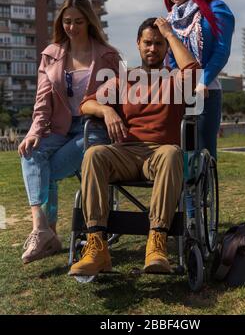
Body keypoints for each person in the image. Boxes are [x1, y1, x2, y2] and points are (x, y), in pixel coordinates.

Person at [69, 17, 200, 277]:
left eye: (159, 44)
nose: (153, 49)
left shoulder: (176, 80)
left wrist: (170, 33)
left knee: (173, 153)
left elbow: (194, 71)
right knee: (94, 153)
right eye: (148, 43)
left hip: (161, 153)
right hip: (126, 153)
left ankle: (157, 244)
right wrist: (106, 110)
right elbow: (85, 104)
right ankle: (96, 248)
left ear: (167, 48)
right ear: (138, 44)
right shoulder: (123, 80)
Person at [19, 0, 120, 264]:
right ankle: (41, 228)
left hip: (94, 129)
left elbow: (121, 97)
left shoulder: (108, 56)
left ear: (89, 21)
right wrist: (34, 132)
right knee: (31, 152)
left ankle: (49, 235)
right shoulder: (51, 55)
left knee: (47, 171)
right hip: (60, 127)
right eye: (67, 22)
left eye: (78, 21)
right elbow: (43, 100)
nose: (72, 27)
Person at [163, 0, 235, 161]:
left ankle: (201, 192)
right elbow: (170, 57)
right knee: (179, 152)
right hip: (180, 92)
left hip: (207, 89)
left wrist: (202, 81)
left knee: (204, 152)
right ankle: (183, 191)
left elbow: (221, 50)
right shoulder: (170, 21)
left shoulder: (216, 9)